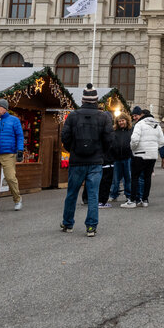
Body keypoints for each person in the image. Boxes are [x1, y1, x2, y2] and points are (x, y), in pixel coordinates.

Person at [60, 84, 112, 237]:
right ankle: (91, 227)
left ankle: (68, 223)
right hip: (95, 161)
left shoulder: (73, 115)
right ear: (96, 100)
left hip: (77, 160)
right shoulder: (103, 116)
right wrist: (101, 152)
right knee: (93, 194)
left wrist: (72, 149)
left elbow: (65, 136)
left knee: (72, 193)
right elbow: (109, 138)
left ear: (82, 100)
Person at [0, 98, 25, 213]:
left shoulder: (14, 120)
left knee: (10, 178)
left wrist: (20, 150)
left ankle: (17, 199)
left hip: (8, 153)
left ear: (5, 108)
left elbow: (20, 136)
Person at [122, 105, 164, 208]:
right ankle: (145, 200)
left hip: (139, 154)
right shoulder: (157, 125)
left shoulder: (139, 124)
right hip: (152, 155)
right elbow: (162, 141)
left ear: (141, 115)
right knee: (147, 178)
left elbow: (135, 140)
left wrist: (133, 148)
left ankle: (132, 200)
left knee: (135, 177)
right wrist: (154, 147)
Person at [107, 114, 133, 203]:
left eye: (122, 120)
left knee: (128, 178)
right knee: (115, 179)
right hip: (117, 158)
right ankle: (113, 195)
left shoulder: (131, 130)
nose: (121, 122)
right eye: (119, 121)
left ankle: (128, 195)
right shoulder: (114, 131)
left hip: (127, 157)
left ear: (126, 121)